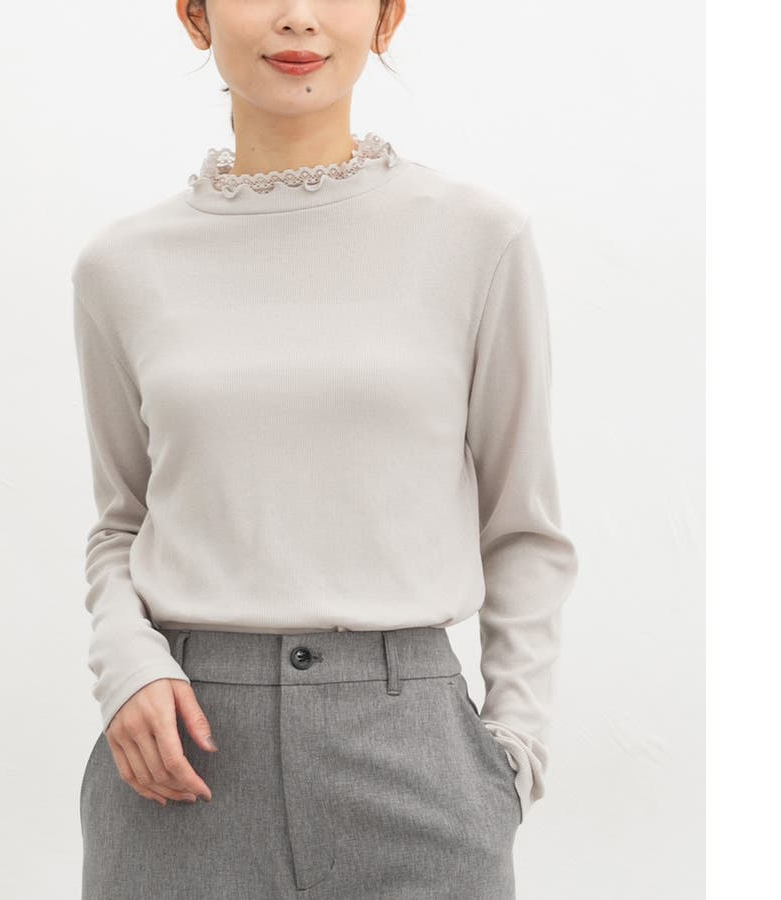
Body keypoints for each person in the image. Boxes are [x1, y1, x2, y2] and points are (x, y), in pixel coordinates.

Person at [72, 1, 579, 897]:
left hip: (414, 755)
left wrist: (511, 758)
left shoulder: (475, 237)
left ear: (388, 18)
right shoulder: (122, 266)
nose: (298, 18)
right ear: (194, 16)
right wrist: (128, 666)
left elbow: (523, 529)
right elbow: (124, 521)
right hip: (179, 754)